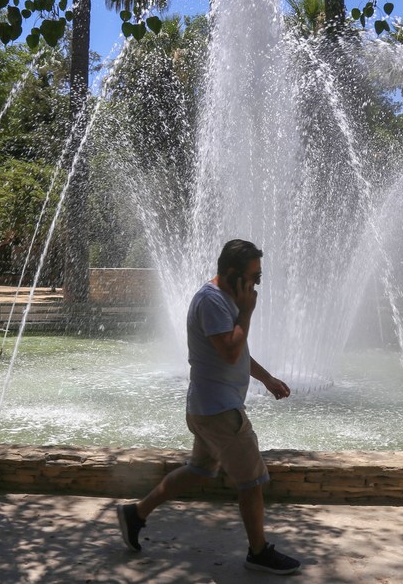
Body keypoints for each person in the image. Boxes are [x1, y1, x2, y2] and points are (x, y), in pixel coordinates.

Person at [117, 239, 301, 575]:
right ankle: (258, 552)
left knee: (199, 470)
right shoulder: (212, 301)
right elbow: (230, 351)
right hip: (220, 412)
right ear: (232, 273)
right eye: (254, 277)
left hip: (208, 408)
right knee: (252, 481)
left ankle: (136, 513)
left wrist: (267, 379)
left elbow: (238, 352)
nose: (257, 284)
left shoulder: (224, 300)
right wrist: (247, 312)